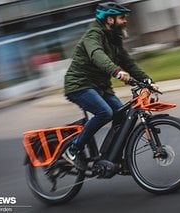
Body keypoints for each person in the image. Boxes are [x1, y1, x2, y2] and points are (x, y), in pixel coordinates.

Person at [62, 1, 157, 170]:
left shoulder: (114, 39)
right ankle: (73, 150)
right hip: (80, 84)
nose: (125, 21)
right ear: (110, 20)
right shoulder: (93, 34)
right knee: (104, 112)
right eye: (121, 18)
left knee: (121, 116)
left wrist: (147, 80)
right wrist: (117, 71)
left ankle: (110, 158)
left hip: (101, 87)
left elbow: (128, 62)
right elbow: (96, 55)